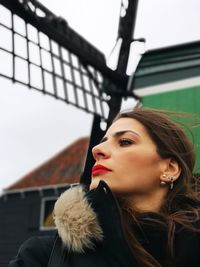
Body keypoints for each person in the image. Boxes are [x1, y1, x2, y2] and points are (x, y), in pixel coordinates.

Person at [10, 107, 200, 267]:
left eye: (125, 142)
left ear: (170, 168)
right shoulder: (42, 256)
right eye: (103, 142)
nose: (96, 150)